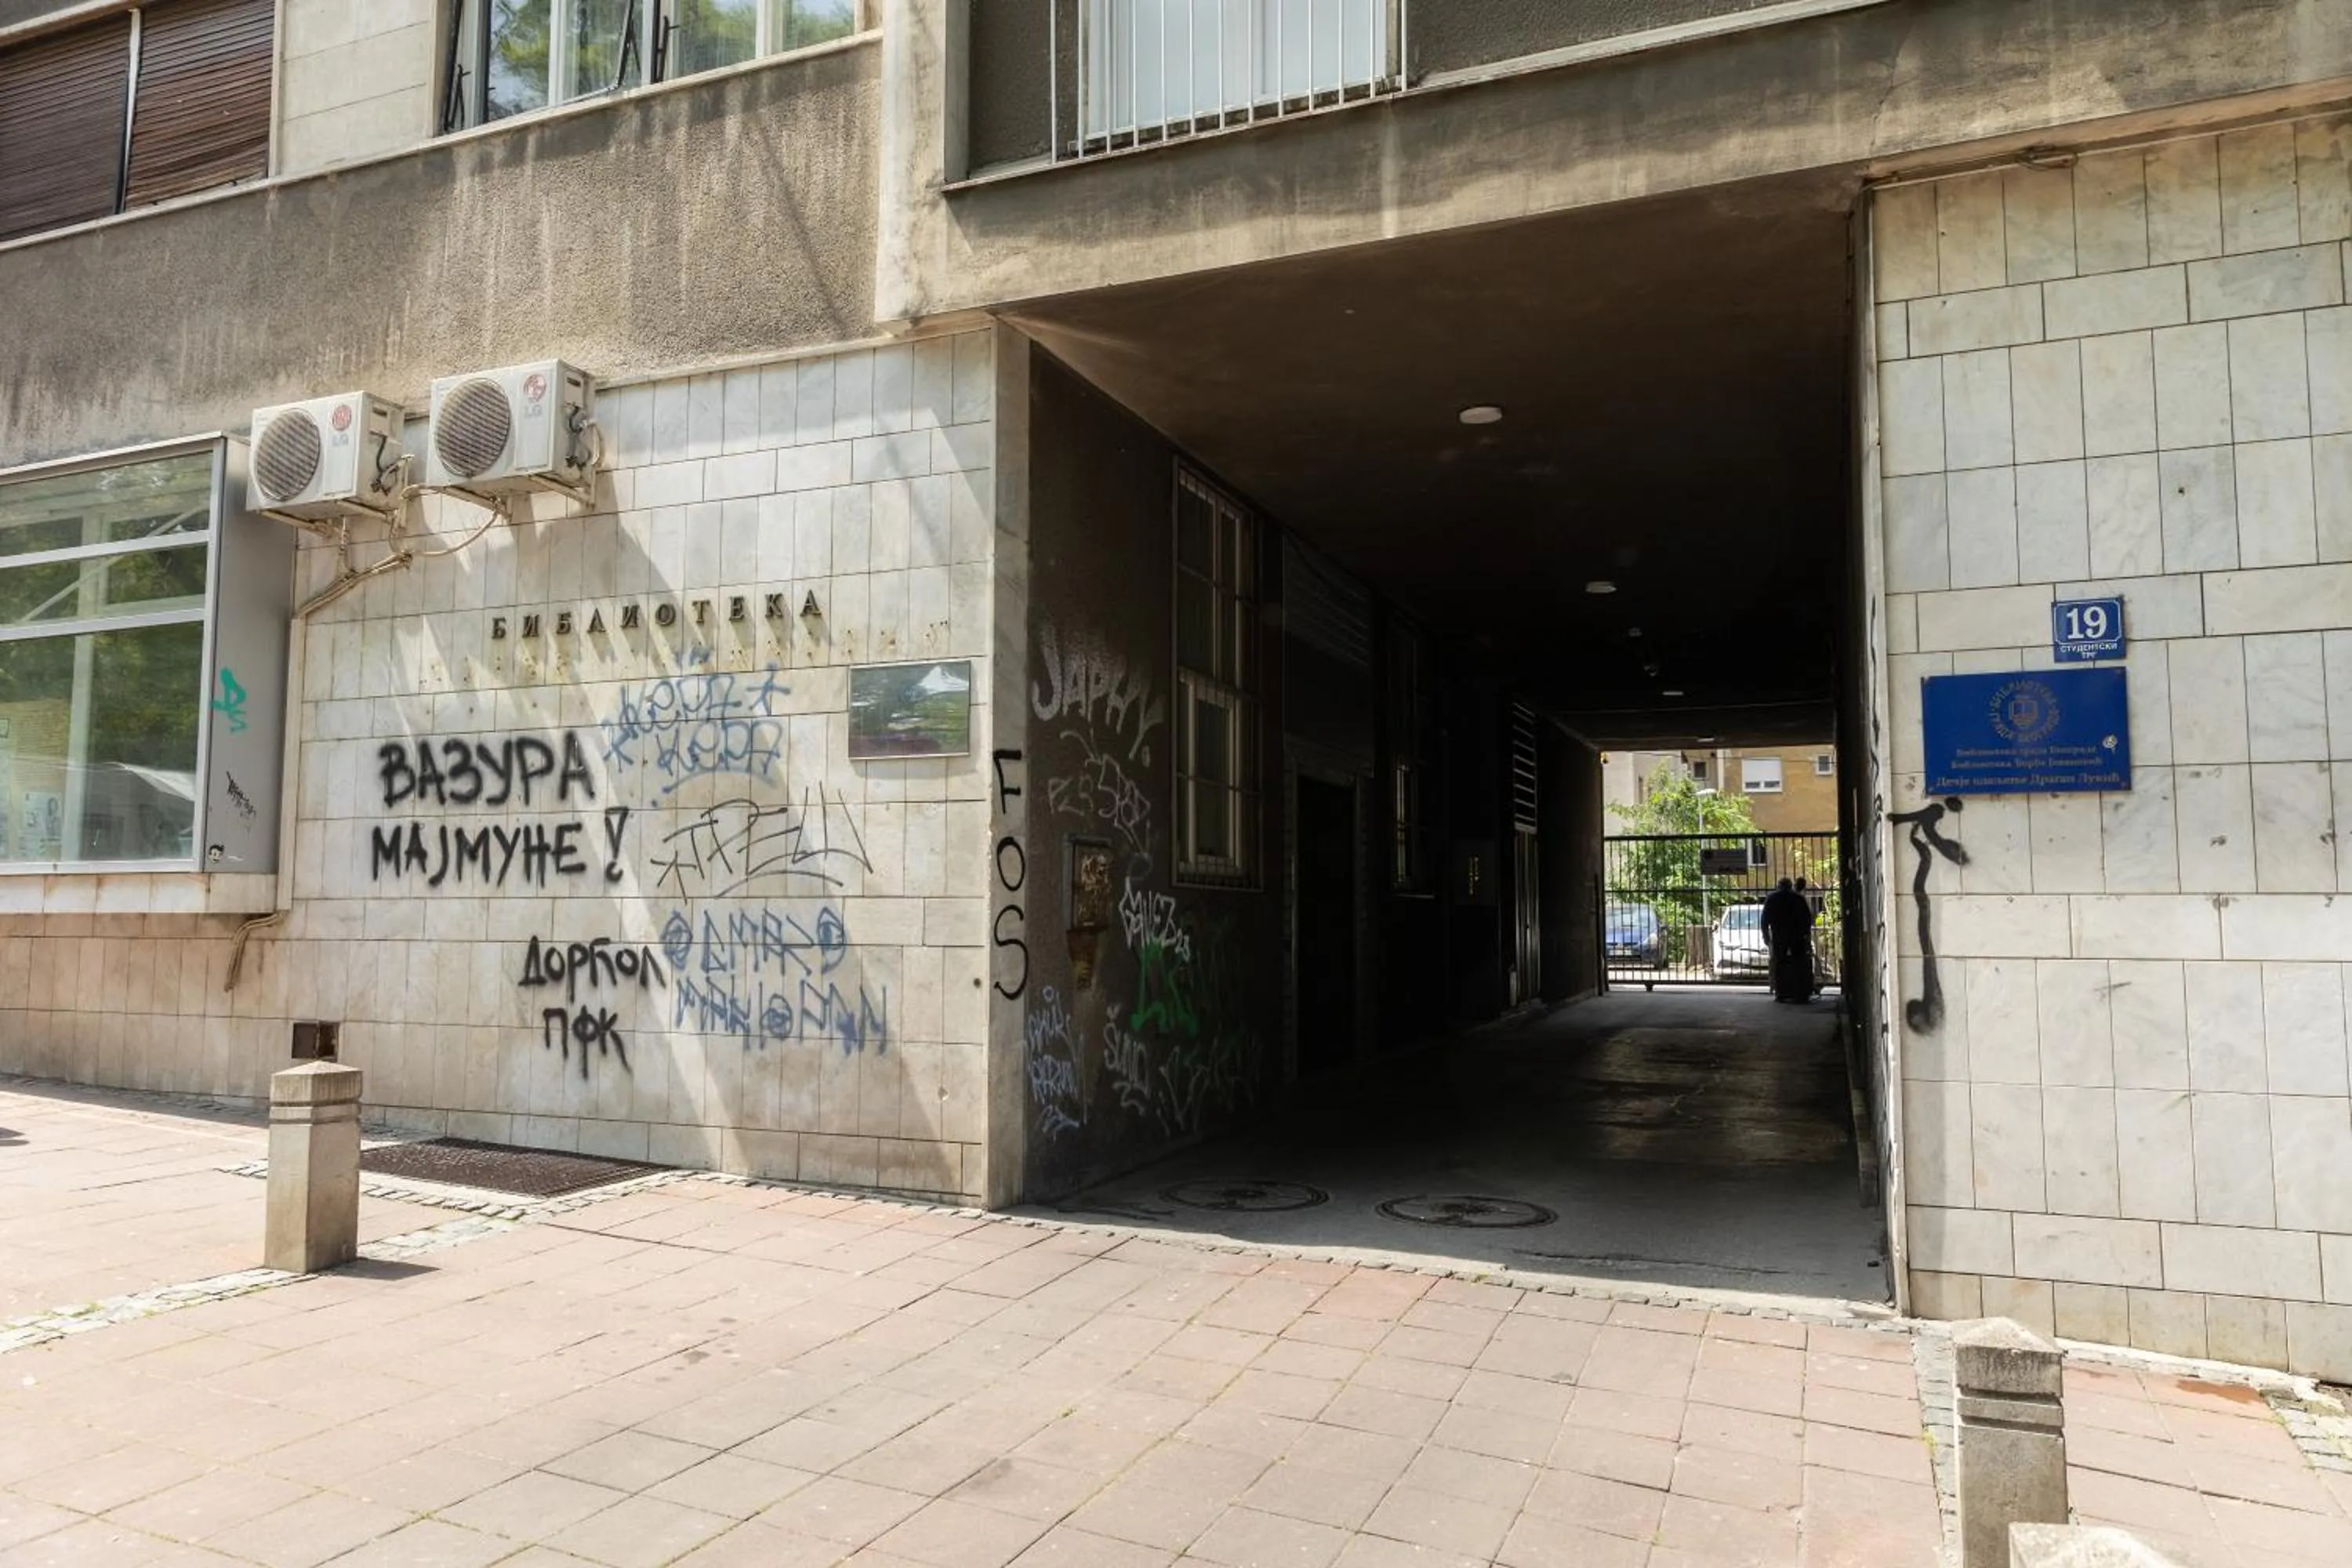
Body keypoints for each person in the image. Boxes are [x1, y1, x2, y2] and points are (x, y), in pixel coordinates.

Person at [1759, 877, 1815, 1004]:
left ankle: (1781, 993)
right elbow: (1807, 919)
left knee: (1780, 964)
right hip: (1797, 936)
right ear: (1790, 886)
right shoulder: (1798, 898)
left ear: (1779, 886)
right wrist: (1806, 935)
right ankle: (1800, 994)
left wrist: (1766, 936)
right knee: (1799, 964)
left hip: (1779, 936)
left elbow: (1764, 920)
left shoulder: (1772, 898)